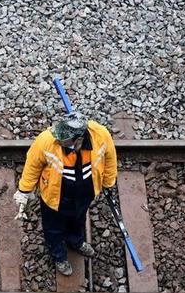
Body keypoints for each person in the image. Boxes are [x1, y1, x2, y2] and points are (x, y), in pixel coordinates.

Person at [13, 112, 117, 276]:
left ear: (79, 139)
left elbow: (110, 158)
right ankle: (59, 255)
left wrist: (108, 183)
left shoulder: (101, 135)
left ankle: (75, 241)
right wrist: (24, 191)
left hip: (84, 194)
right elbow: (32, 167)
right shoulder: (46, 140)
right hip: (55, 197)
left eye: (65, 139)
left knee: (78, 219)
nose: (60, 141)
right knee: (53, 228)